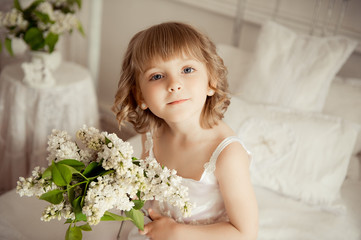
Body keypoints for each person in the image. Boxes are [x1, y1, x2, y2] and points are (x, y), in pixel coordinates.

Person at [112, 21, 258, 240]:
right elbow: (144, 190)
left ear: (212, 81)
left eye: (187, 70)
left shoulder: (227, 155)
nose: (174, 84)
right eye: (157, 76)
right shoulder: (152, 134)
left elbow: (246, 233)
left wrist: (178, 232)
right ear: (140, 96)